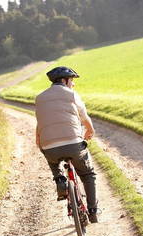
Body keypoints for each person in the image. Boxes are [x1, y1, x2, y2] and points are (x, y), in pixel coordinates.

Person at [35, 66, 98, 223]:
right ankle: (92, 211)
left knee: (50, 157)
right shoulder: (72, 94)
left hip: (49, 145)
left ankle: (59, 180)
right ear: (64, 80)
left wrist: (40, 142)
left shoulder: (39, 98)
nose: (73, 84)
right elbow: (84, 117)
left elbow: (41, 122)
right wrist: (90, 131)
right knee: (87, 174)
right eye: (72, 81)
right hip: (73, 144)